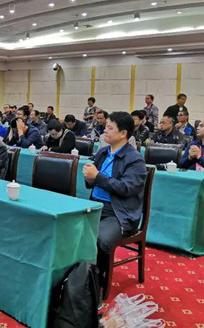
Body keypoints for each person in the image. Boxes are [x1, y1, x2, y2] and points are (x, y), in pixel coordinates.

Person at [82, 111, 147, 298]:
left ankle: (95, 282)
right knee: (69, 228)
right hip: (95, 206)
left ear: (123, 133)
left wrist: (97, 177)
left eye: (110, 128)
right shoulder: (103, 152)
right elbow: (92, 182)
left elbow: (127, 188)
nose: (105, 131)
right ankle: (75, 276)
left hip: (119, 213)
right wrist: (89, 178)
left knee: (101, 240)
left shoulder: (135, 159)